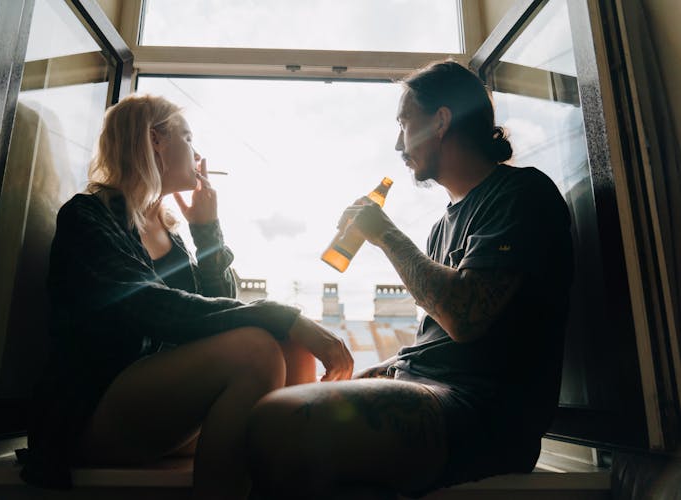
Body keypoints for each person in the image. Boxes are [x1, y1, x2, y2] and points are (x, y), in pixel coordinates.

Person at [246, 60, 574, 498]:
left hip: (485, 416)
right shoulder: (442, 227)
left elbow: (464, 316)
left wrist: (384, 233)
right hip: (431, 391)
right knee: (290, 385)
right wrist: (379, 371)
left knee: (279, 418)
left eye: (404, 123)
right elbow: (436, 341)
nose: (399, 143)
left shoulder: (522, 194)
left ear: (440, 121)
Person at [19, 94, 354, 499]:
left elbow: (210, 317)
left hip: (150, 407)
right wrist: (284, 314)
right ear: (155, 140)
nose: (199, 153)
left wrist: (207, 231)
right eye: (189, 138)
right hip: (88, 415)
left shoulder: (166, 234)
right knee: (256, 349)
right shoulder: (87, 217)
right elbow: (158, 309)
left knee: (291, 348)